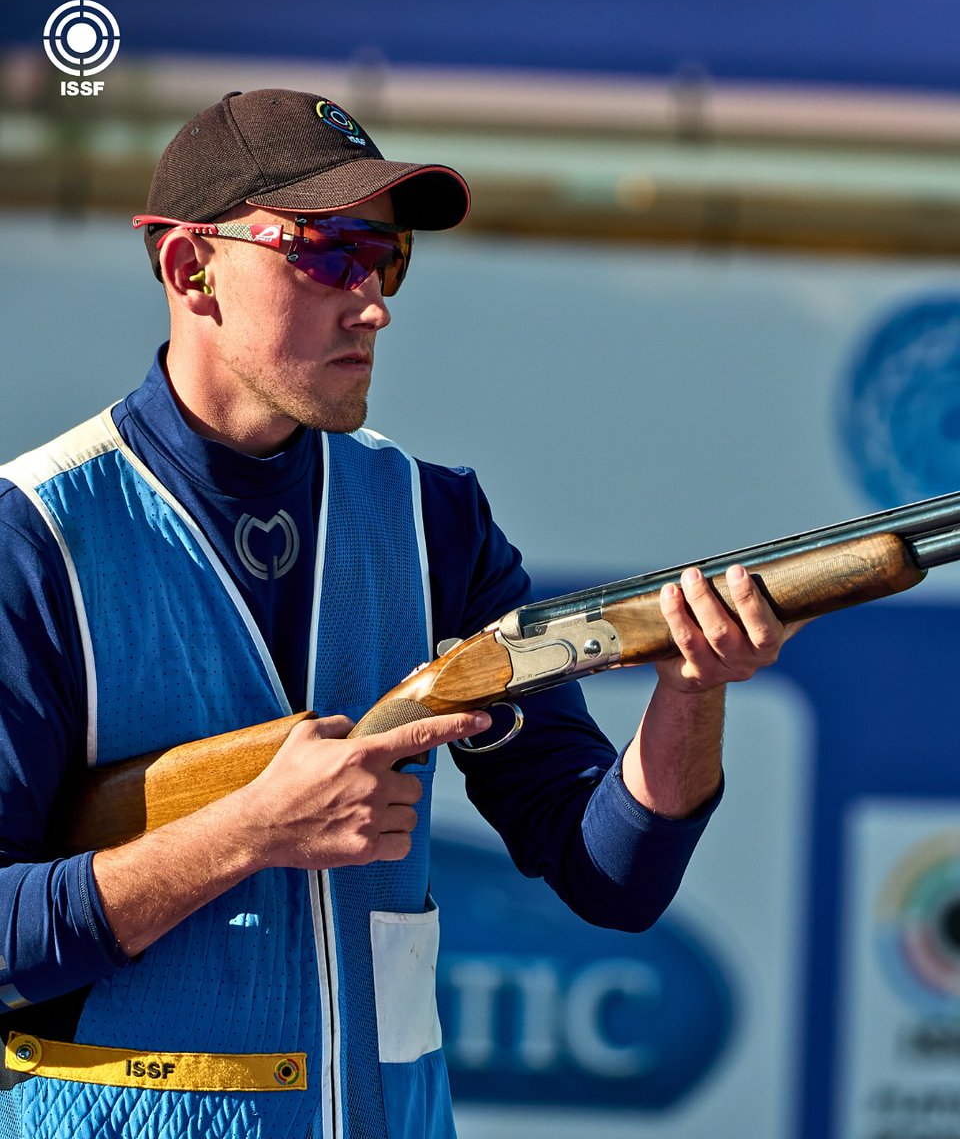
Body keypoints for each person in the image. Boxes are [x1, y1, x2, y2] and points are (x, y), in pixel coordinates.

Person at [0, 89, 800, 1139]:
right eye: (327, 254)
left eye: (386, 262)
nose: (372, 303)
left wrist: (691, 691)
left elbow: (611, 877)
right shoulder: (35, 536)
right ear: (192, 270)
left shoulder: (434, 518)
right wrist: (249, 832)